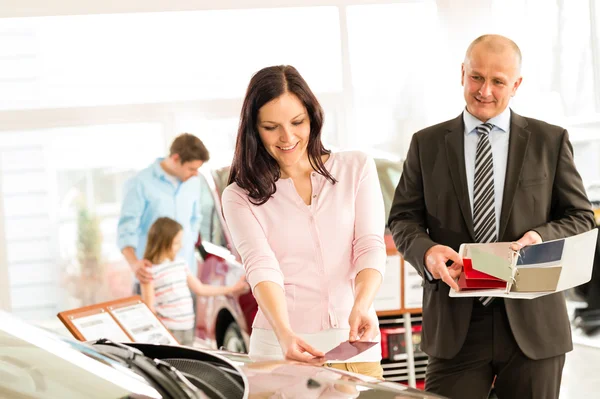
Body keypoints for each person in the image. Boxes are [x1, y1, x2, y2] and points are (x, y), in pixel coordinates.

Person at [388, 34, 596, 399]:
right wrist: (427, 252)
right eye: (476, 77)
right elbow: (403, 218)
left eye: (498, 81)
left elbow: (580, 216)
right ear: (462, 73)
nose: (485, 90)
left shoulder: (550, 141)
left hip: (533, 323)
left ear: (516, 84)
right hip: (456, 323)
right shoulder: (427, 144)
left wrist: (541, 237)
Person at [221, 65, 386, 379]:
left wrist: (362, 303)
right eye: (271, 127)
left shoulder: (356, 167)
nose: (287, 137)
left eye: (297, 122)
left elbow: (368, 245)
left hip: (353, 345)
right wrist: (284, 333)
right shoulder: (239, 195)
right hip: (279, 351)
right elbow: (261, 265)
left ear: (313, 117)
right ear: (254, 129)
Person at [117, 133, 209, 291]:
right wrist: (134, 264)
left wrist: (188, 242)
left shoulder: (194, 183)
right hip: (152, 279)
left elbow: (195, 219)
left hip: (185, 277)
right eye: (191, 169)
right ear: (175, 158)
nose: (196, 174)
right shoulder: (140, 183)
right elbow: (126, 229)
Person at [140, 217, 248, 346]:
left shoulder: (180, 264)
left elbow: (200, 289)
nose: (181, 246)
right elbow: (150, 308)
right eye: (176, 242)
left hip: (187, 327)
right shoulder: (149, 271)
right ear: (163, 243)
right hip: (169, 329)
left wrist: (232, 289)